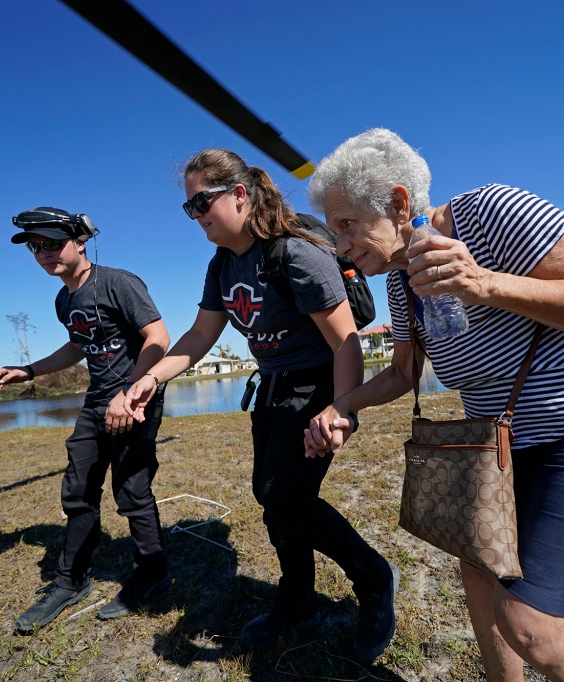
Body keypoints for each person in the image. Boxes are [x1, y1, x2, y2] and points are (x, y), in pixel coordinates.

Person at [303, 128, 564, 681]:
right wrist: (344, 407)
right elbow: (406, 371)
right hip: (507, 440)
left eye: (347, 225)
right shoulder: (402, 281)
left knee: (531, 625)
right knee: (479, 568)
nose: (340, 247)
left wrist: (484, 283)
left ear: (399, 203)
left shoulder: (494, 211)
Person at [122, 149, 399, 662]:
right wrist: (152, 378)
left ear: (240, 195)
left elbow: (346, 342)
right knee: (271, 496)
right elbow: (202, 334)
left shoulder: (294, 253)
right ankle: (296, 601)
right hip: (272, 388)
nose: (196, 214)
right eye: (189, 207)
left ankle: (375, 580)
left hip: (317, 384)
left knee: (285, 495)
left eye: (202, 201)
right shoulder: (222, 264)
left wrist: (342, 411)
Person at [0, 206, 172, 633]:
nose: (43, 253)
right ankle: (71, 580)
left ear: (80, 242)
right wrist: (29, 370)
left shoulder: (118, 282)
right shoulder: (64, 298)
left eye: (52, 243)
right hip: (96, 400)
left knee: (131, 490)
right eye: (35, 247)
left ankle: (152, 573)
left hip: (135, 396)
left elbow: (158, 338)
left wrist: (129, 393)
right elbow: (77, 346)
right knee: (78, 488)